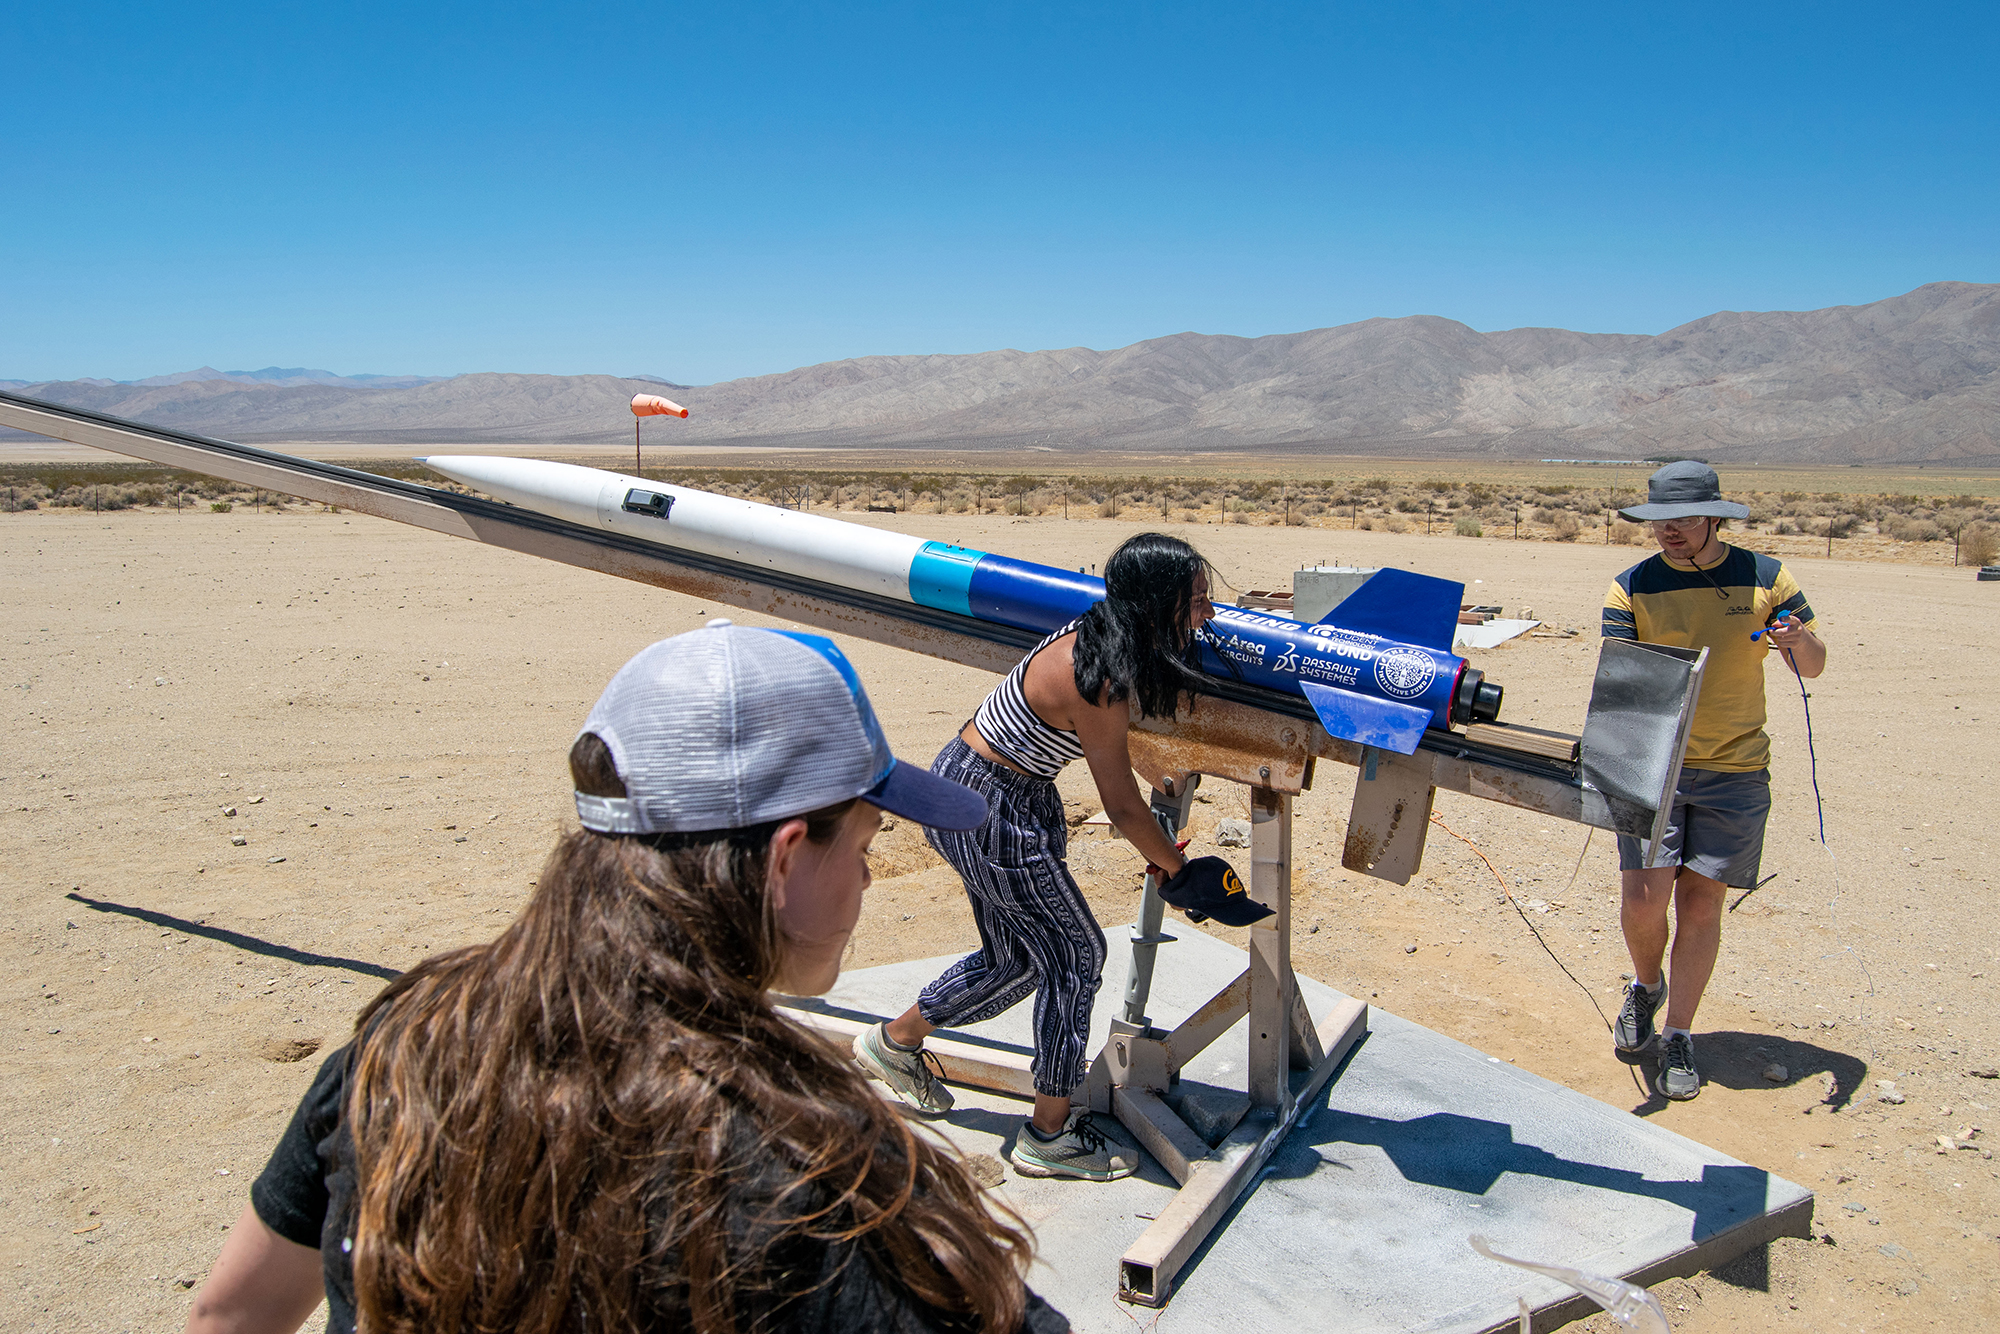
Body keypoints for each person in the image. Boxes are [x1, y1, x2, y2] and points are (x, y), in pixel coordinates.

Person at [185, 623, 1072, 1334]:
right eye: (867, 844)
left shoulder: (402, 1048)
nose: (868, 880)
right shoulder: (809, 1176)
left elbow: (229, 1316)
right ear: (784, 858)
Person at [853, 533, 1223, 1182]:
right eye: (1196, 600)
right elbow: (1121, 807)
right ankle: (1049, 1135)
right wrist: (1176, 867)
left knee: (1017, 960)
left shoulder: (1101, 636)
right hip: (996, 808)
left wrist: (1149, 774)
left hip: (977, 784)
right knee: (1076, 957)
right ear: (1157, 602)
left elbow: (1104, 741)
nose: (1209, 613)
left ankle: (894, 1043)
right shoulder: (1101, 675)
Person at [1603, 462, 1827, 1101]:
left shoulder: (1768, 577)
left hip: (1736, 770)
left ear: (1715, 519)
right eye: (1659, 521)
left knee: (1702, 905)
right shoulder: (1630, 588)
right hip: (1652, 765)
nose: (1669, 531)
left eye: (1684, 519)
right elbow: (1622, 683)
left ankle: (1679, 1033)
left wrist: (1798, 638)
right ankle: (1647, 987)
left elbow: (1813, 666)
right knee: (1644, 900)